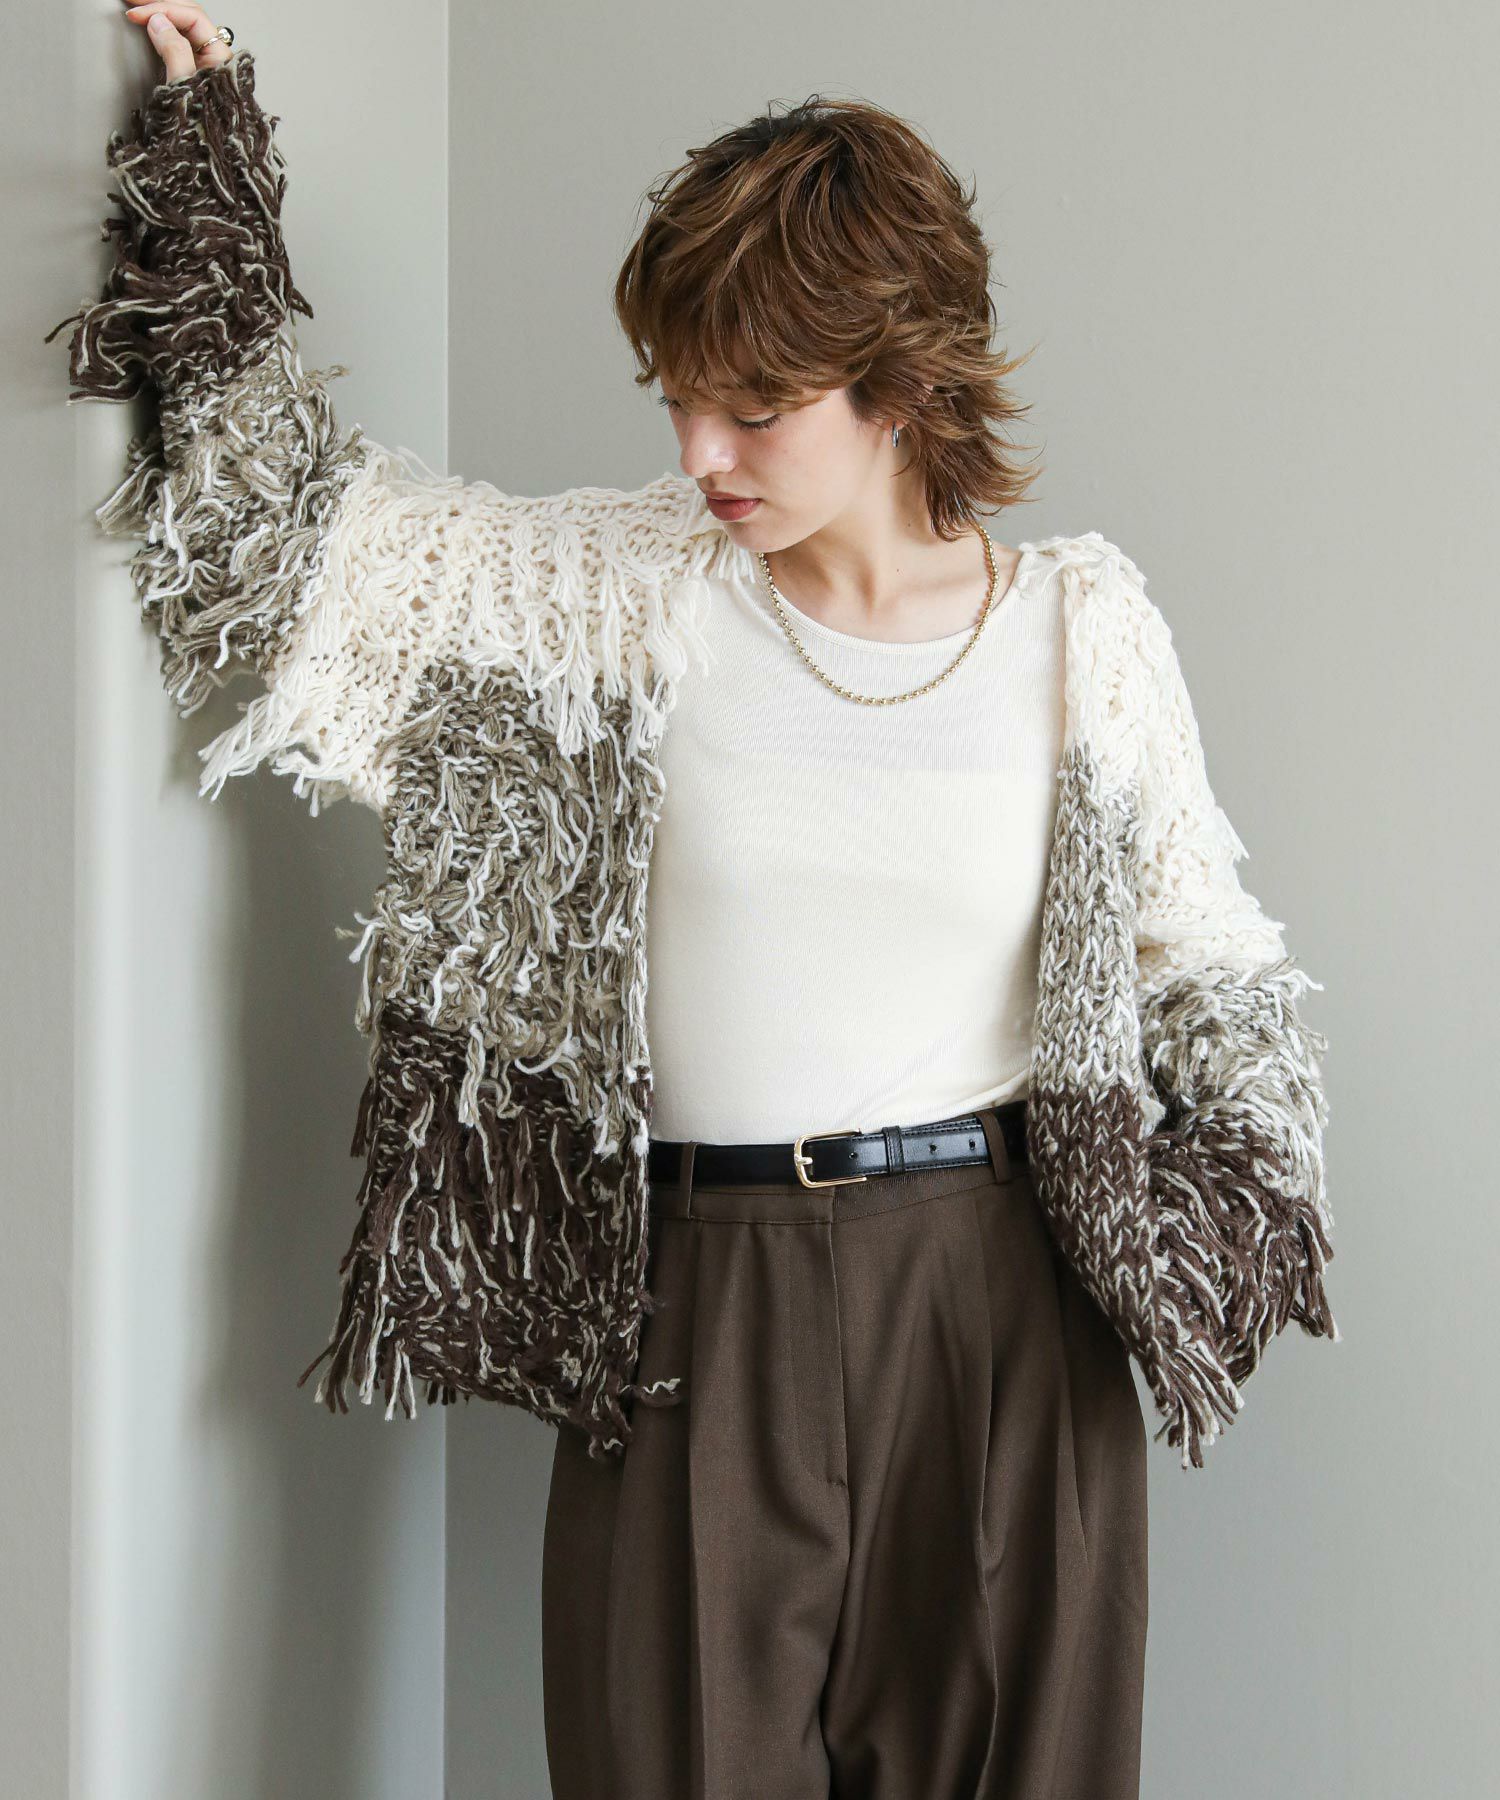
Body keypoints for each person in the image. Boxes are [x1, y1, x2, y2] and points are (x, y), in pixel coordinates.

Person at [50, 9, 1338, 1796]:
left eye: (754, 405)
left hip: (998, 1311)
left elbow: (1212, 970)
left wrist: (1199, 1243)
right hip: (694, 1306)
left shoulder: (1079, 632)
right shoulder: (612, 602)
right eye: (676, 391)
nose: (698, 452)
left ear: (901, 382)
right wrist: (208, 160)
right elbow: (290, 550)